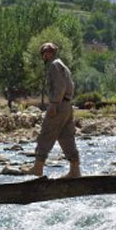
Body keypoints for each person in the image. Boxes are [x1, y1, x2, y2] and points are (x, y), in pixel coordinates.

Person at [25, 43, 81, 178]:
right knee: (66, 137)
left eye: (46, 53)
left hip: (59, 104)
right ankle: (75, 170)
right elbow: (70, 85)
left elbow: (60, 86)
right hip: (67, 105)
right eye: (45, 52)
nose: (45, 55)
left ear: (48, 54)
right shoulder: (62, 65)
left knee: (46, 133)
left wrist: (54, 104)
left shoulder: (53, 65)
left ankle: (38, 167)